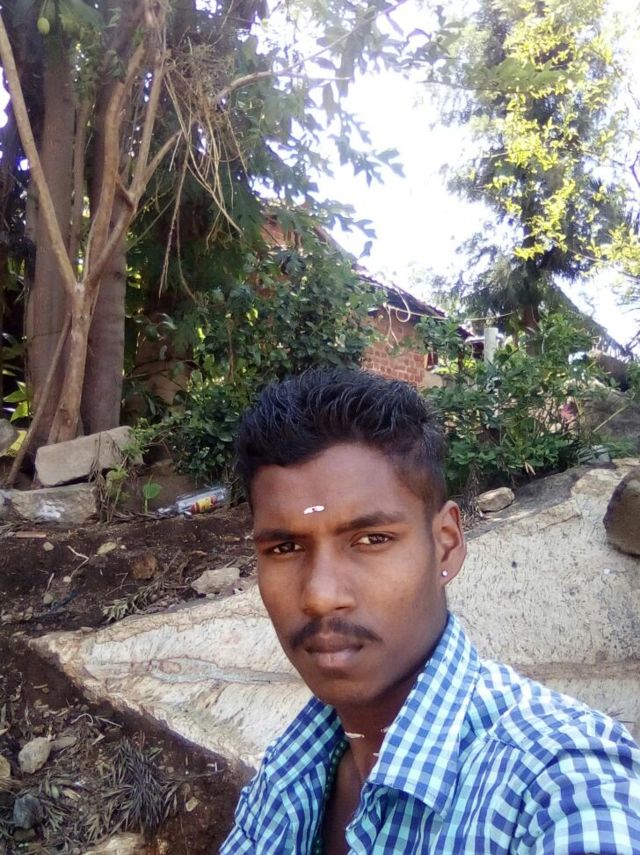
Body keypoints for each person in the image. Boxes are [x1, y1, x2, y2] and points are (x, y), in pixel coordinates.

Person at [220, 367, 640, 854]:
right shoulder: (290, 769)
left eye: (371, 539)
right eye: (285, 548)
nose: (319, 596)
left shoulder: (560, 783)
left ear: (446, 545)